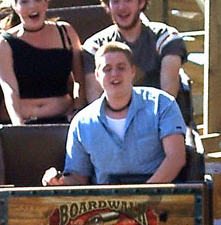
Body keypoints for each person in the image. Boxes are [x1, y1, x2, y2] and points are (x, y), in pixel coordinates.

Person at [42, 42, 186, 186]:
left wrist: (142, 195)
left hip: (159, 200)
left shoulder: (162, 104)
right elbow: (78, 178)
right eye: (107, 69)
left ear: (133, 71)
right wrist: (57, 181)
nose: (114, 74)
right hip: (105, 205)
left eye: (121, 68)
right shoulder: (81, 123)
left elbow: (176, 158)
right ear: (97, 75)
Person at [0, 0, 86, 126]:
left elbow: (80, 80)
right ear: (16, 7)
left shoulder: (65, 32)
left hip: (64, 118)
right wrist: (18, 125)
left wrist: (78, 111)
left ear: (46, 3)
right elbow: (10, 91)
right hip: (22, 121)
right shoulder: (4, 43)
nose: (32, 6)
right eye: (25, 1)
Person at [82, 0, 188, 103]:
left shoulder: (165, 37)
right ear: (107, 6)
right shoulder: (96, 46)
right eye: (115, 1)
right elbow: (95, 102)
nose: (122, 7)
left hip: (160, 118)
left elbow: (167, 99)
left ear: (141, 2)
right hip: (116, 120)